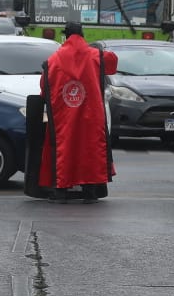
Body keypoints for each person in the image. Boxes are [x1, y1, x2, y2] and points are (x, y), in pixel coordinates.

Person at [32, 21, 118, 203]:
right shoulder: (96, 56)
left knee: (65, 149)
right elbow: (113, 63)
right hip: (91, 114)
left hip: (63, 116)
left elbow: (43, 87)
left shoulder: (53, 60)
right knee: (90, 149)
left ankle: (61, 190)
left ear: (66, 35)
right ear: (82, 34)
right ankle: (90, 190)